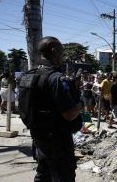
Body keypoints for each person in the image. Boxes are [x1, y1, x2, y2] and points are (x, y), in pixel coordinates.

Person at [19, 36, 84, 182]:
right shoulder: (55, 78)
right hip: (57, 140)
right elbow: (69, 114)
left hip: (38, 136)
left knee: (44, 173)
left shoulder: (27, 76)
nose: (63, 55)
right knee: (63, 176)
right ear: (54, 50)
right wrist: (80, 104)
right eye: (62, 50)